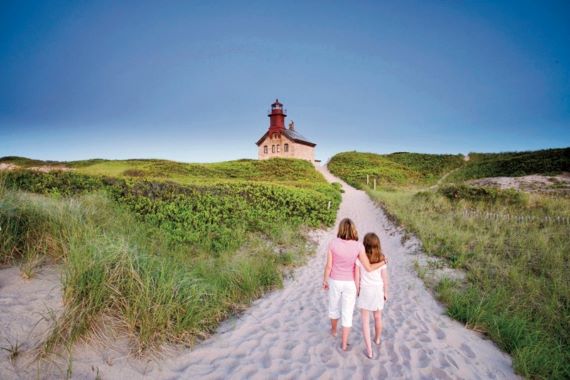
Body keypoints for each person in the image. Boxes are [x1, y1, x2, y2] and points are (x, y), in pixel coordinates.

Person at [322, 218, 385, 351]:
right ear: (353, 230)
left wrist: (325, 280)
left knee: (333, 307)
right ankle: (344, 344)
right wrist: (383, 262)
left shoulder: (333, 243)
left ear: (340, 229)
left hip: (335, 280)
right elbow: (368, 267)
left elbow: (328, 266)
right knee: (347, 313)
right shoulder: (358, 246)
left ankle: (334, 331)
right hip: (350, 283)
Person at [355, 232, 389, 359]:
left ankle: (369, 350)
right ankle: (378, 338)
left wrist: (357, 290)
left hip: (365, 291)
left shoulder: (360, 258)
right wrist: (386, 292)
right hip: (377, 291)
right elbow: (385, 278)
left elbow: (357, 277)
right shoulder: (382, 258)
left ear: (365, 245)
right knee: (378, 317)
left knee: (365, 322)